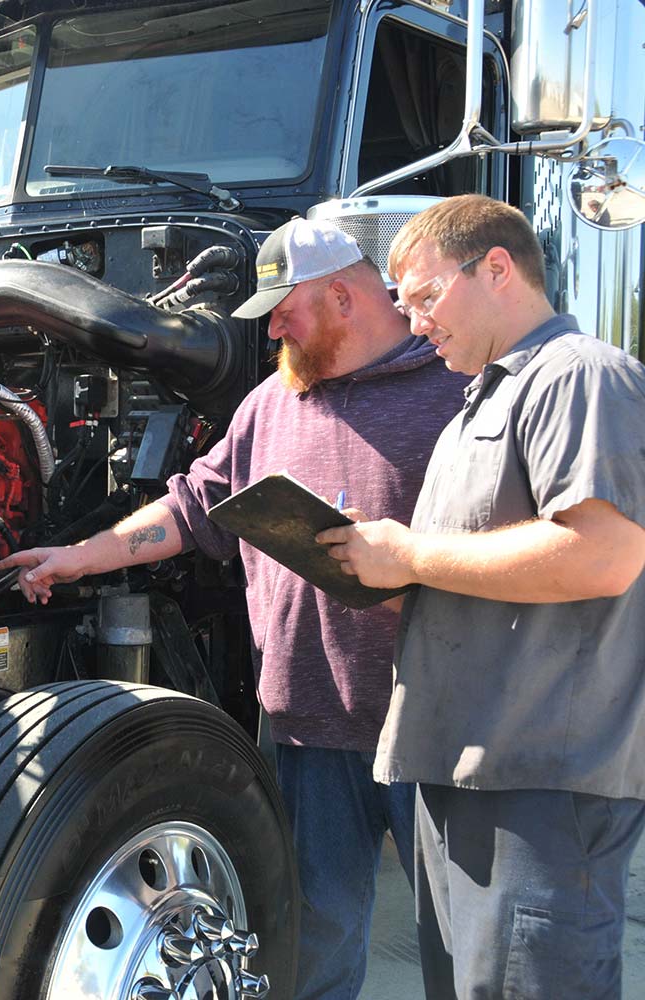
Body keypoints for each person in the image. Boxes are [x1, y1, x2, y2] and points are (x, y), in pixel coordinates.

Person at [0, 217, 467, 1000]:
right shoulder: (270, 405)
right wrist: (80, 556)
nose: (273, 326)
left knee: (464, 948)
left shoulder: (456, 389)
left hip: (439, 728)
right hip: (310, 728)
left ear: (346, 296)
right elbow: (189, 510)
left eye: (288, 308)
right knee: (313, 938)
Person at [318, 194, 645, 999]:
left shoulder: (580, 376)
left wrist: (414, 553)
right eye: (402, 303)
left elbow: (605, 555)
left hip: (539, 786)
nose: (415, 321)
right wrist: (383, 567)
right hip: (465, 776)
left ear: (496, 268)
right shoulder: (479, 401)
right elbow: (471, 573)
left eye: (426, 296)